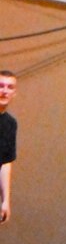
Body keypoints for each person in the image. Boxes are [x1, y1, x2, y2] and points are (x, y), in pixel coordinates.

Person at [0, 69, 17, 227]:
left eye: (10, 87)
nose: (5, 91)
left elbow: (5, 162)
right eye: (1, 86)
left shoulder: (10, 124)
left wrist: (6, 200)